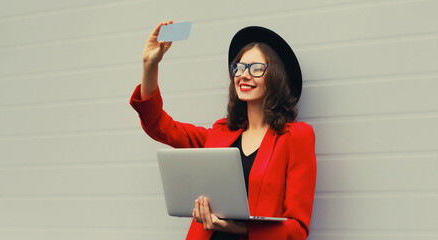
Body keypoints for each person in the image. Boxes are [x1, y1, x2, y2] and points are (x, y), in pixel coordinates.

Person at [130, 20, 317, 240]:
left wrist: (241, 229)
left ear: (276, 77)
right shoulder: (219, 134)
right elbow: (159, 125)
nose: (244, 75)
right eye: (239, 67)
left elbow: (297, 230)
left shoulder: (295, 137)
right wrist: (149, 65)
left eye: (256, 69)